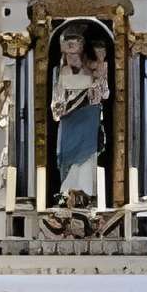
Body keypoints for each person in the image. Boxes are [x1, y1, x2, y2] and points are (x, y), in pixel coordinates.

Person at [51, 24, 109, 198]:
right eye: (68, 55)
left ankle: (86, 194)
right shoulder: (60, 73)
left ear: (82, 52)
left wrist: (100, 65)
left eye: (74, 54)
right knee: (67, 163)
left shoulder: (94, 71)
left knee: (85, 164)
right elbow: (56, 106)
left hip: (88, 123)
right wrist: (65, 107)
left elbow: (104, 94)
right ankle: (67, 195)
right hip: (69, 126)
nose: (71, 59)